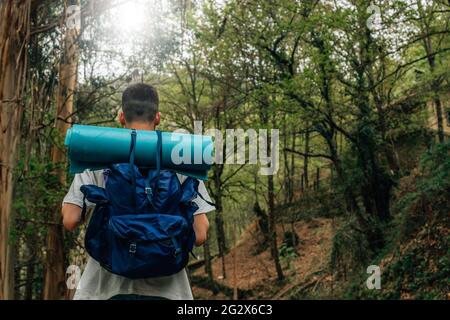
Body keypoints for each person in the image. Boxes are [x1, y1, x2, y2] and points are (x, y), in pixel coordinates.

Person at [61, 83, 214, 300]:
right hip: (169, 291)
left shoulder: (98, 154)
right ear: (158, 117)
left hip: (105, 289)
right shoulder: (179, 156)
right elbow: (200, 234)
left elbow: (70, 219)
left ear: (122, 117)